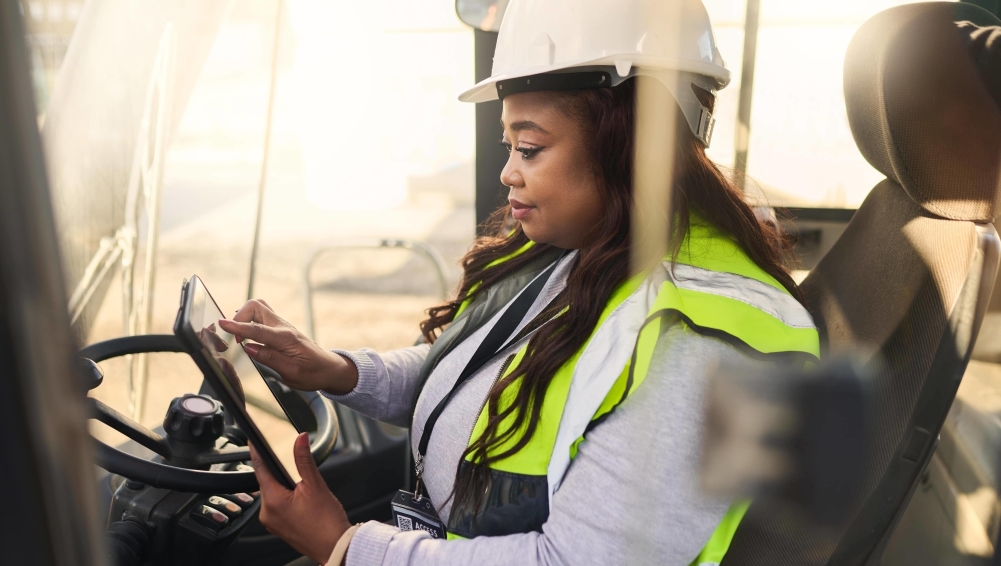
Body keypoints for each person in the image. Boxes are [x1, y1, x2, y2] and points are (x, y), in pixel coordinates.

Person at [217, 0, 820, 563]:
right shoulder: (590, 247)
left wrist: (346, 547)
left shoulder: (699, 348)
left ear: (634, 145)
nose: (507, 172)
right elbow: (474, 381)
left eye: (530, 148)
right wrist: (340, 372)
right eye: (508, 145)